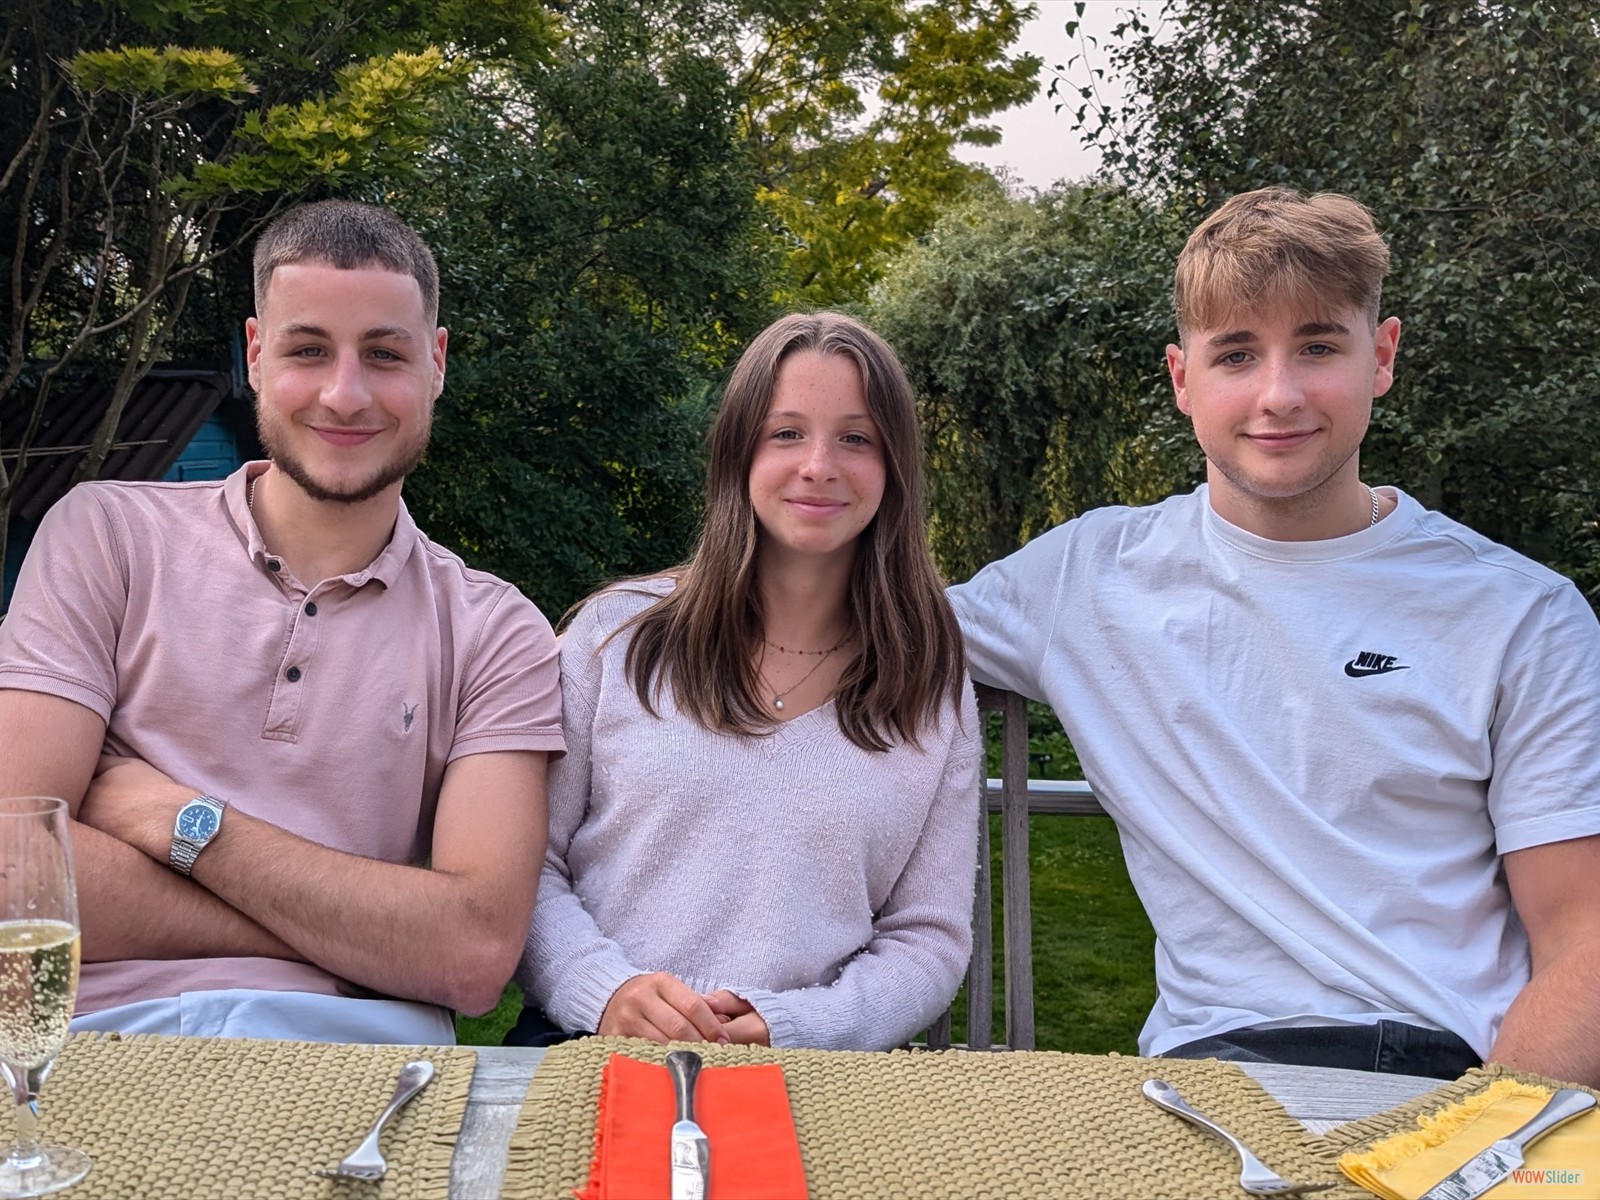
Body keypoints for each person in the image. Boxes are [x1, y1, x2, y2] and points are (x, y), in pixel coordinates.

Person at [950, 187, 1600, 1084]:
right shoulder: (1085, 576)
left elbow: (1584, 942)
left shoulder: (1522, 616)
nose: (1278, 395)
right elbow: (840, 619)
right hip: (1207, 1078)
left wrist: (1479, 1139)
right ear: (1183, 378)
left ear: (1382, 356)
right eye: (1237, 354)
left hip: (1447, 1070)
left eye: (1319, 347)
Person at [0, 200, 563, 1043]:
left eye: (385, 354)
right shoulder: (108, 536)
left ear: (436, 365)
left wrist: (180, 822)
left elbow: (473, 954)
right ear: (257, 355)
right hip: (91, 1043)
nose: (345, 394)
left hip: (360, 1066)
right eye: (309, 350)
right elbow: (17, 874)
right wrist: (356, 938)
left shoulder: (497, 631)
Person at [510, 311, 978, 1051]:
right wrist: (604, 992)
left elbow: (928, 938)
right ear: (739, 452)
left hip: (811, 1072)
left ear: (894, 466)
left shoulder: (928, 685)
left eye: (856, 438)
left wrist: (801, 1027)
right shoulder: (616, 639)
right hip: (588, 1044)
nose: (818, 465)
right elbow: (527, 865)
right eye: (786, 433)